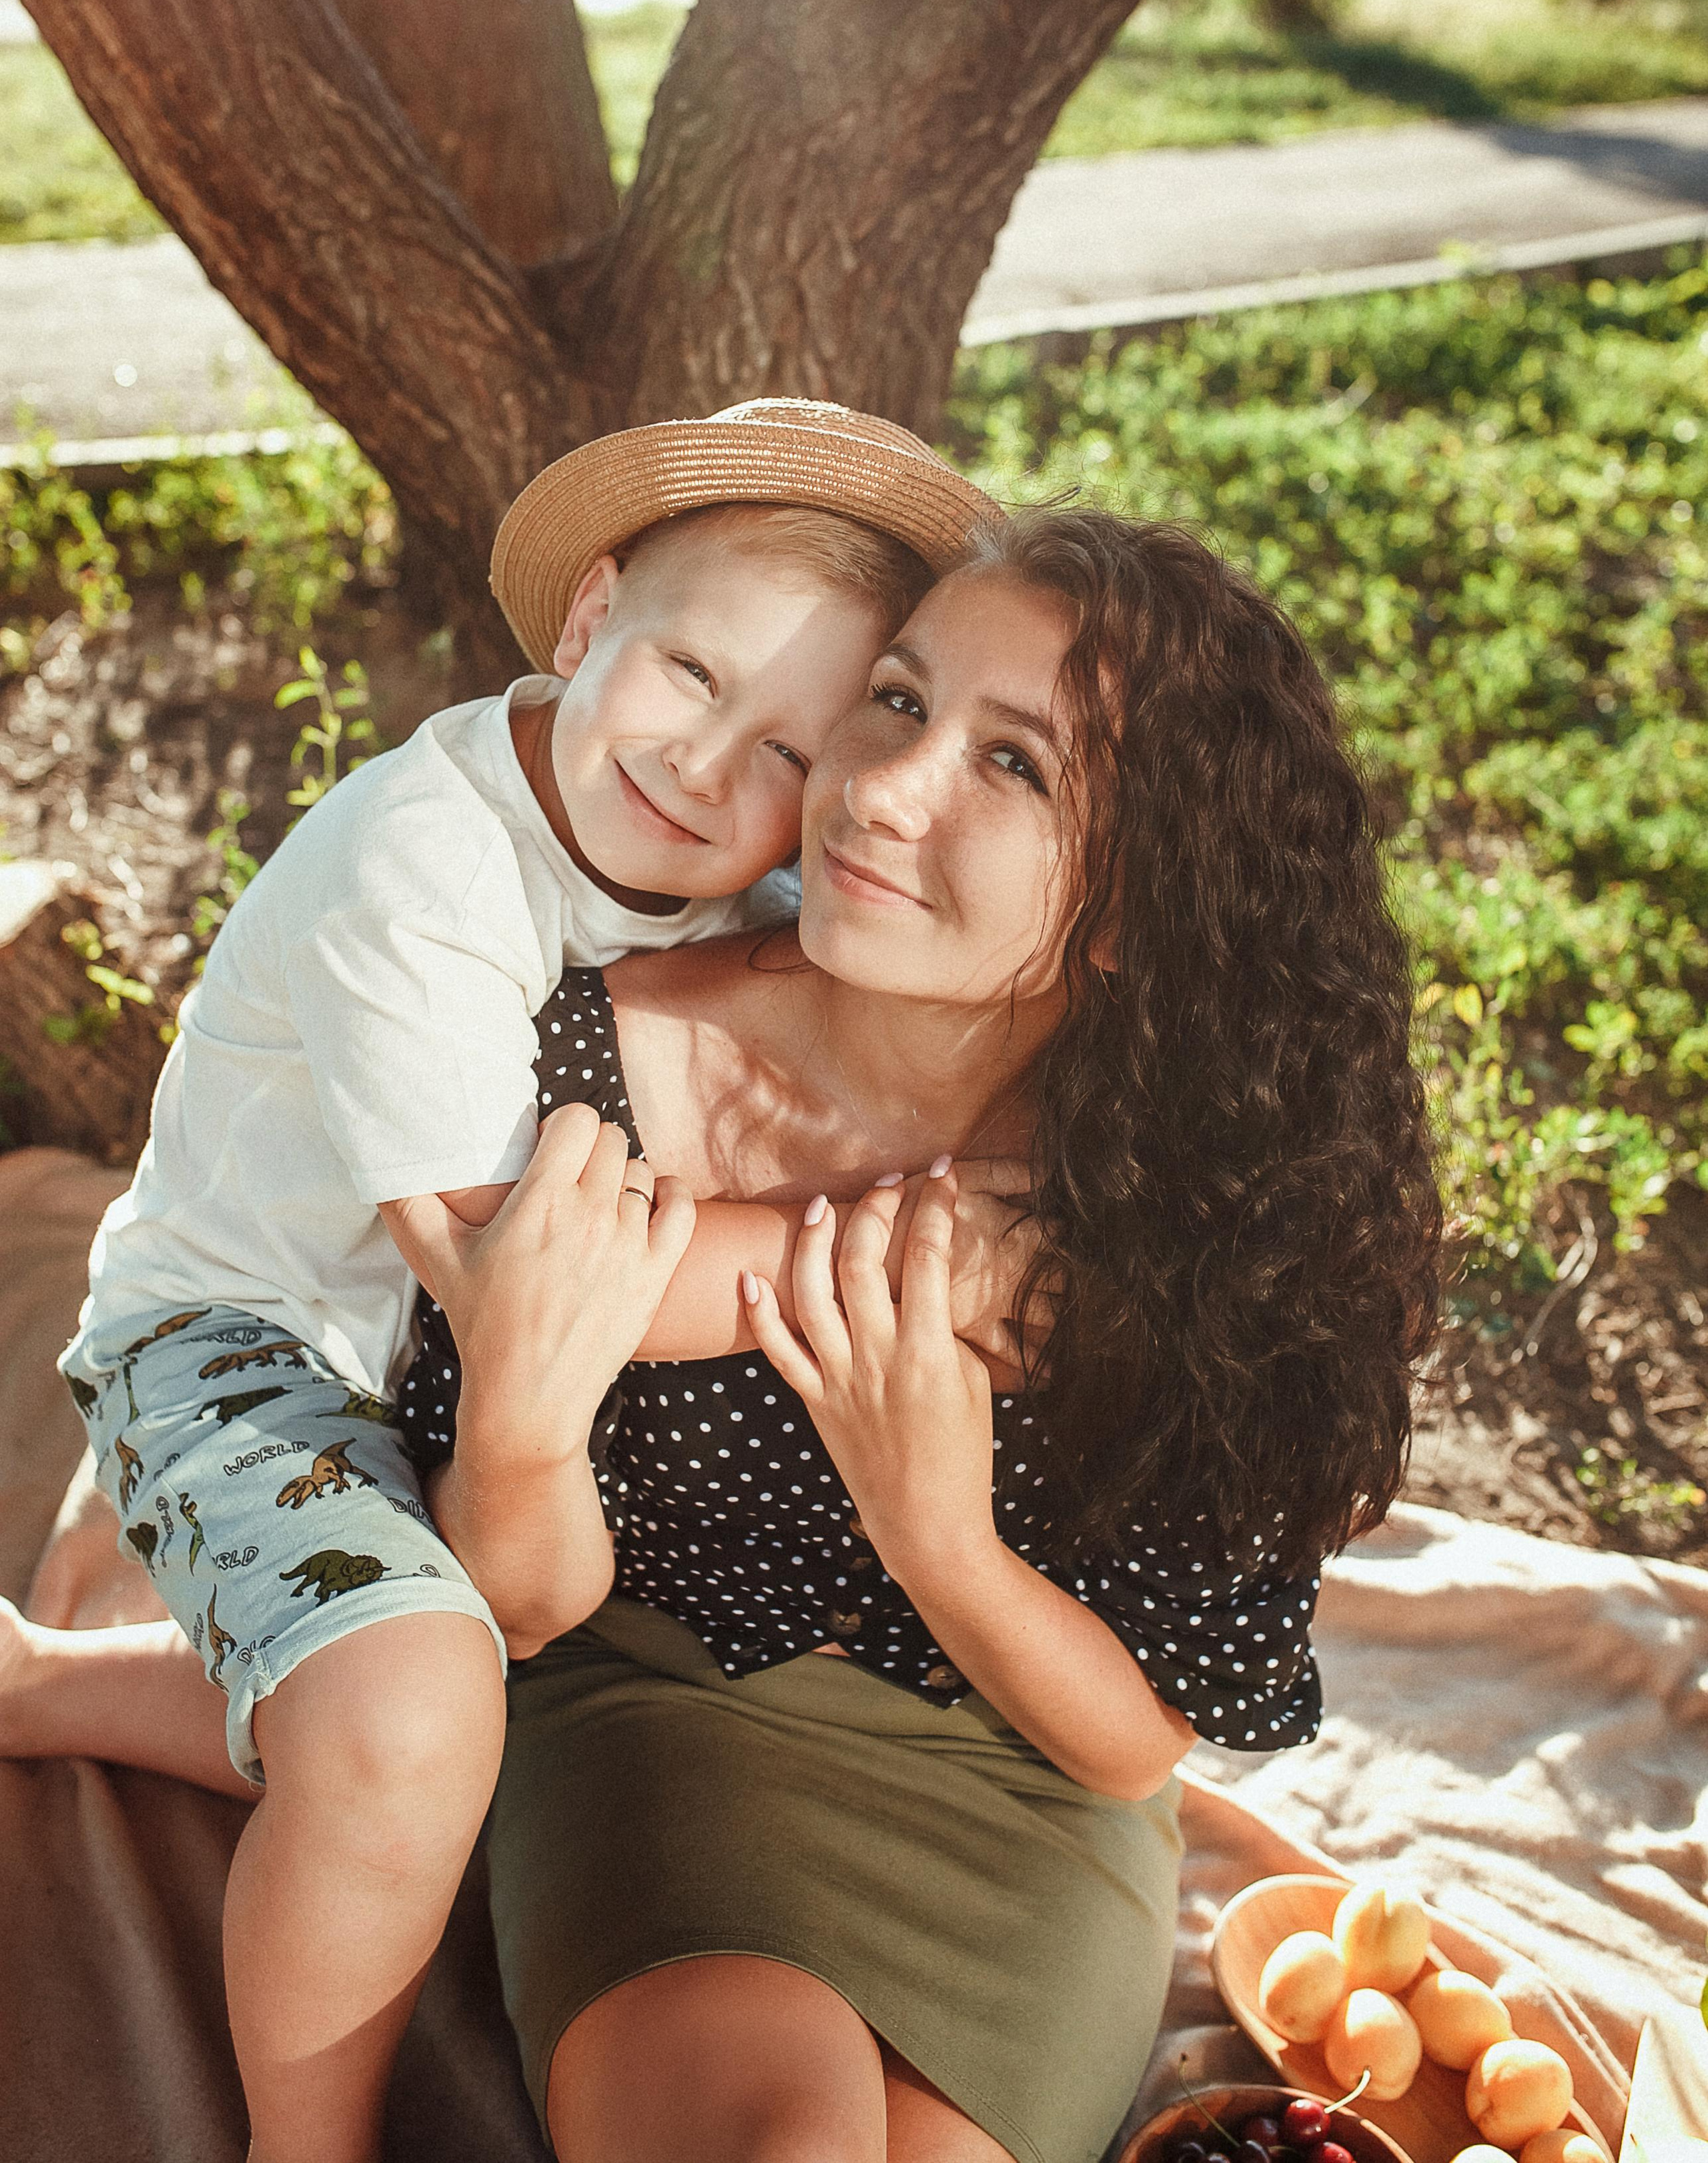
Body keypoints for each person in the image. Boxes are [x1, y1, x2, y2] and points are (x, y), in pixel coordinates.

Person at [389, 506, 1444, 2163]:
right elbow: (494, 1603)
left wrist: (933, 1523)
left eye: (1012, 767)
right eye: (895, 699)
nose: (880, 789)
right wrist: (848, 1264)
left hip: (1018, 1799)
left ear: (1125, 909)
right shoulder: (573, 1067)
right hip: (655, 1729)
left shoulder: (1198, 1213)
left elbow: (1125, 1743)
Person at [32, 397, 997, 2163]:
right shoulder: (425, 870)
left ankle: (37, 1684)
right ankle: (302, 2144)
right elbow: (515, 1274)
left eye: (790, 749)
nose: (711, 768)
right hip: (253, 1341)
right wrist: (936, 1251)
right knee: (418, 1696)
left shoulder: (729, 876)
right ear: (587, 617)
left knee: (521, 1678)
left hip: (449, 1376)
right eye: (690, 674)